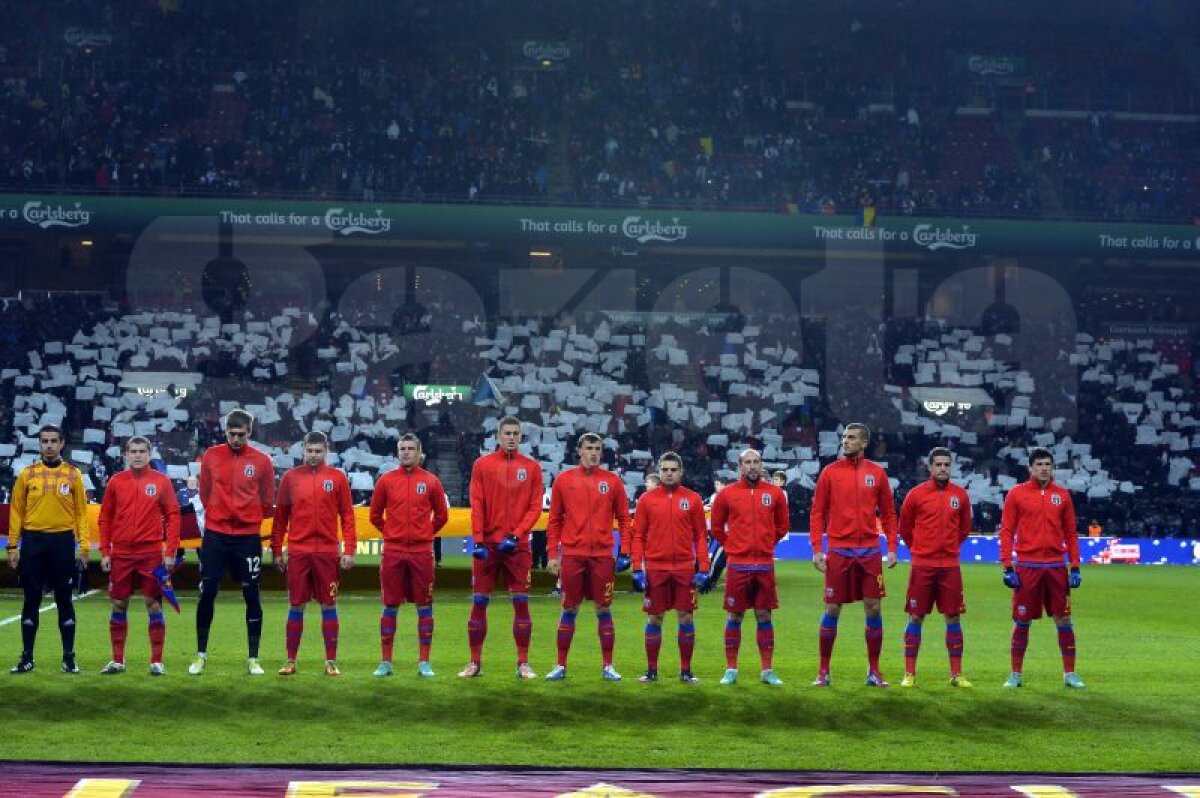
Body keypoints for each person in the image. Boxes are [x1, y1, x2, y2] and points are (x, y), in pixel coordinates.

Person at [808, 423, 898, 687]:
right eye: (844, 437)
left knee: (873, 606)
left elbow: (889, 514)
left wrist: (892, 546)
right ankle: (823, 672)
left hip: (870, 550)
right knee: (832, 607)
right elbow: (817, 513)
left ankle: (874, 671)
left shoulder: (876, 473)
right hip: (839, 550)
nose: (845, 441)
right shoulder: (830, 472)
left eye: (852, 438)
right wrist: (816, 549)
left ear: (864, 443)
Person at [190, 409, 275, 676]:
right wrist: (220, 515)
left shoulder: (262, 461)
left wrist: (246, 518)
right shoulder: (211, 456)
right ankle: (201, 655)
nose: (236, 439)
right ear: (224, 432)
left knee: (252, 594)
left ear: (249, 432)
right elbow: (204, 493)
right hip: (216, 536)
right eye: (231, 434)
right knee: (208, 592)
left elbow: (267, 500)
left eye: (241, 434)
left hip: (248, 538)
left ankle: (253, 658)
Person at [544, 433, 632, 681]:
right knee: (569, 608)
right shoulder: (564, 480)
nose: (593, 452)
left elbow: (625, 519)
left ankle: (608, 665)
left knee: (603, 608)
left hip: (602, 555)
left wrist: (624, 550)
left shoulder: (612, 482)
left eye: (597, 448)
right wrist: (553, 554)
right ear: (579, 451)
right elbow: (554, 521)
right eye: (589, 448)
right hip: (573, 554)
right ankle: (560, 664)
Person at [461, 416, 543, 678]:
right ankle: (474, 662)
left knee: (521, 602)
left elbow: (535, 507)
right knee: (479, 602)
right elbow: (477, 504)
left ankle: (523, 663)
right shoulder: (482, 465)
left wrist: (517, 536)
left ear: (520, 437)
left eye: (515, 433)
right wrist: (478, 541)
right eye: (506, 433)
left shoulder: (531, 467)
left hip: (517, 548)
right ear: (498, 436)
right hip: (488, 548)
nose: (510, 437)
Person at [6, 425, 91, 674]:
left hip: (62, 543)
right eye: (45, 441)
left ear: (62, 443)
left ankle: (68, 658)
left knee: (64, 599)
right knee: (31, 599)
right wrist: (13, 545)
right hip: (33, 543)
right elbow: (16, 512)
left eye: (54, 441)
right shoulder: (27, 474)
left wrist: (84, 547)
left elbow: (81, 514)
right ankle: (27, 658)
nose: (49, 445)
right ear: (39, 444)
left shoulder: (73, 474)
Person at [271, 431, 356, 677]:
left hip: (328, 553)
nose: (314, 455)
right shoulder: (290, 478)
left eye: (318, 451)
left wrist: (348, 549)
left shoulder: (337, 478)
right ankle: (290, 660)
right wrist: (277, 549)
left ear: (326, 451)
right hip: (298, 552)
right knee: (296, 605)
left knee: (329, 605)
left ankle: (330, 661)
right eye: (310, 451)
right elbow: (280, 519)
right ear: (303, 451)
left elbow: (348, 516)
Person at [999, 447, 1085, 689]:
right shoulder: (1016, 494)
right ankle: (1015, 674)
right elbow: (1006, 531)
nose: (1044, 468)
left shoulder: (1063, 495)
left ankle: (1070, 674)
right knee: (1022, 621)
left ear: (1052, 467)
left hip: (1057, 566)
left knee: (1064, 619)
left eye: (1047, 464)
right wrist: (1007, 566)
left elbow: (1070, 532)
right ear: (1030, 468)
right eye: (1039, 464)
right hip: (1027, 567)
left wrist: (1075, 567)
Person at [97, 437, 181, 676]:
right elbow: (105, 518)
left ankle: (156, 661)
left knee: (153, 604)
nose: (137, 455)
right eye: (133, 451)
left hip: (150, 554)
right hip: (121, 553)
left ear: (149, 454)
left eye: (142, 451)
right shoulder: (116, 481)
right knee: (118, 603)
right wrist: (105, 551)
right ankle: (117, 660)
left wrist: (170, 550)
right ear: (126, 454)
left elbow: (173, 516)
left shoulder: (161, 481)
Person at [369, 434, 448, 678]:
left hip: (422, 553)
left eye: (410, 448)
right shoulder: (386, 481)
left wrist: (424, 534)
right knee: (390, 605)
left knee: (424, 606)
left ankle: (424, 662)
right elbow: (374, 516)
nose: (405, 452)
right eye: (402, 448)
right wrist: (393, 534)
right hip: (393, 552)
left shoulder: (431, 482)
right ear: (397, 452)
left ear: (419, 452)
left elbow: (442, 516)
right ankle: (386, 662)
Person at [710, 449, 790, 685]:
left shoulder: (774, 494)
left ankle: (767, 670)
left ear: (761, 465)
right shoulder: (727, 494)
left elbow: (783, 526)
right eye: (748, 462)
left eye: (756, 462)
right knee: (735, 615)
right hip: (738, 565)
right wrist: (734, 547)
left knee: (764, 614)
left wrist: (765, 544)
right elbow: (716, 528)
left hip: (764, 564)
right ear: (740, 466)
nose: (753, 466)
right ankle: (731, 669)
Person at [896, 447, 973, 688]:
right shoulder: (916, 495)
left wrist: (948, 549)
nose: (942, 468)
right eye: (938, 464)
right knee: (916, 616)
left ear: (951, 467)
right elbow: (905, 528)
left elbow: (964, 528)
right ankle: (909, 673)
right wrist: (921, 549)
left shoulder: (960, 495)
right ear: (930, 467)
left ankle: (956, 674)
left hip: (950, 566)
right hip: (923, 565)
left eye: (946, 464)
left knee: (953, 616)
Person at [630, 452, 709, 684]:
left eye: (673, 469)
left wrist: (703, 567)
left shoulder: (693, 499)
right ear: (659, 471)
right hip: (656, 568)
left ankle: (686, 671)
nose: (669, 473)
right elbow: (638, 536)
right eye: (665, 469)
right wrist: (637, 567)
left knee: (685, 618)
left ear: (681, 472)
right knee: (655, 618)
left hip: (684, 568)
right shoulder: (646, 500)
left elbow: (701, 536)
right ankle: (651, 671)